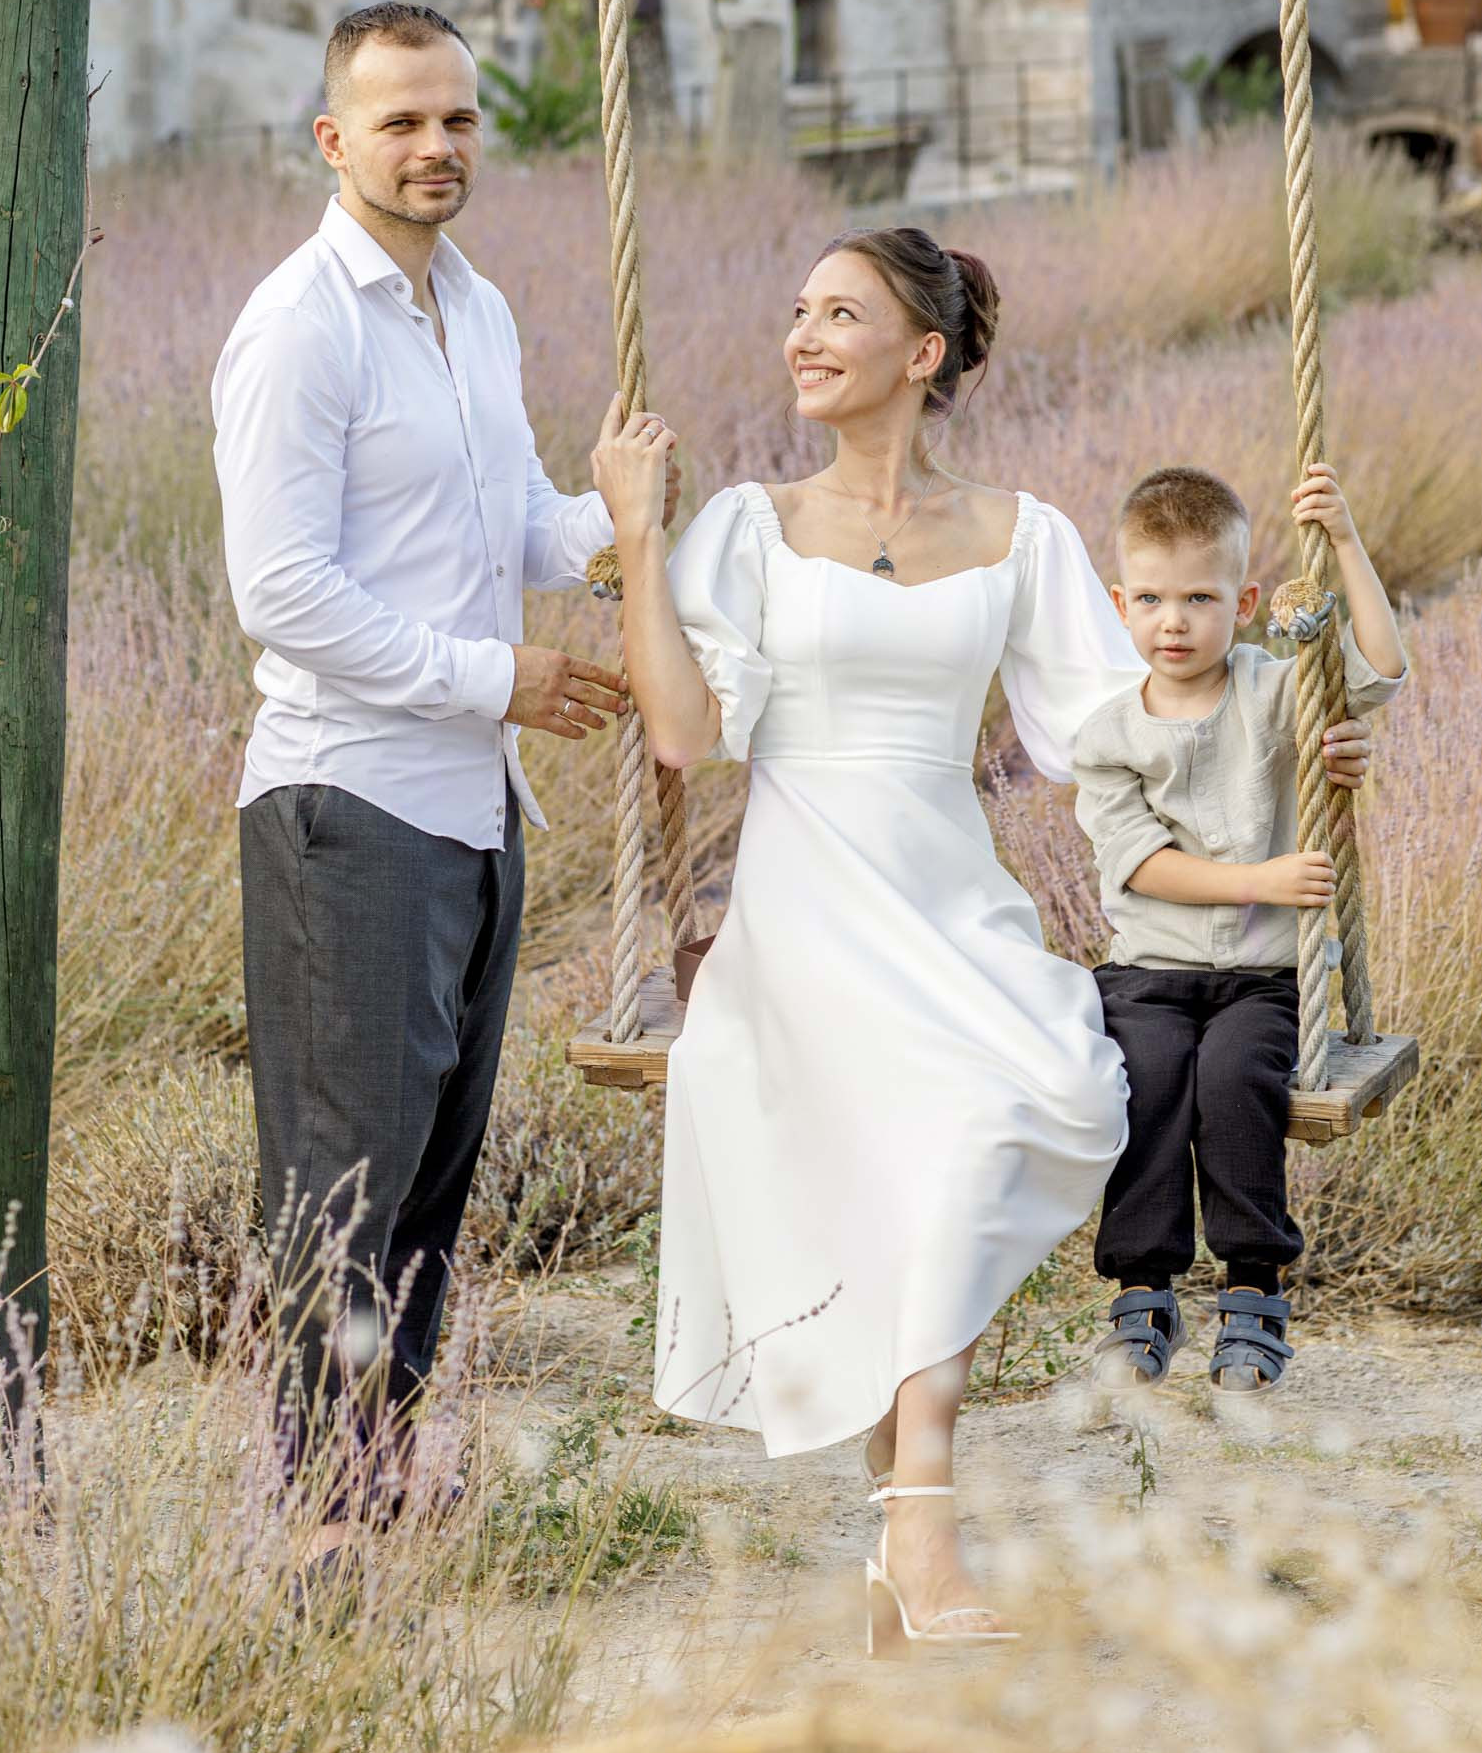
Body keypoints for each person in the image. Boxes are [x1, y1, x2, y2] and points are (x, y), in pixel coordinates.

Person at [589, 225, 1143, 1654]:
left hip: (948, 895)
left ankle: (908, 1511)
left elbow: (1109, 737)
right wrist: (642, 537)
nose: (805, 336)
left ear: (924, 353)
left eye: (843, 314)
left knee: (1054, 1098)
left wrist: (1280, 719)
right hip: (803, 909)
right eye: (797, 311)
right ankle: (923, 1527)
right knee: (935, 1142)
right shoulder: (749, 528)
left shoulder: (1023, 534)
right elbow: (681, 733)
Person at [211, 0, 666, 1502]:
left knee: (428, 1177)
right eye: (400, 121)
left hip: (473, 805)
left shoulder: (477, 306)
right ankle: (326, 1499)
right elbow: (279, 592)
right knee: (344, 1179)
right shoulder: (301, 325)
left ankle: (382, 1454)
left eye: (457, 117)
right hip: (350, 804)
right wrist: (500, 677)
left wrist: (623, 517)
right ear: (333, 139)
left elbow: (512, 525)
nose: (435, 146)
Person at [1072, 461, 1407, 1393]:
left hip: (1265, 978)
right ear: (1119, 603)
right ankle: (1143, 1291)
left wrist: (1342, 538)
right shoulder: (1107, 737)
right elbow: (1139, 866)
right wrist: (1260, 877)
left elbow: (1378, 670)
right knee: (1143, 1078)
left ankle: (1254, 1292)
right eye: (1149, 598)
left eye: (1198, 597)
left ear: (1247, 601)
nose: (1171, 621)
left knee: (1230, 1080)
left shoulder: (1275, 694)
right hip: (1148, 969)